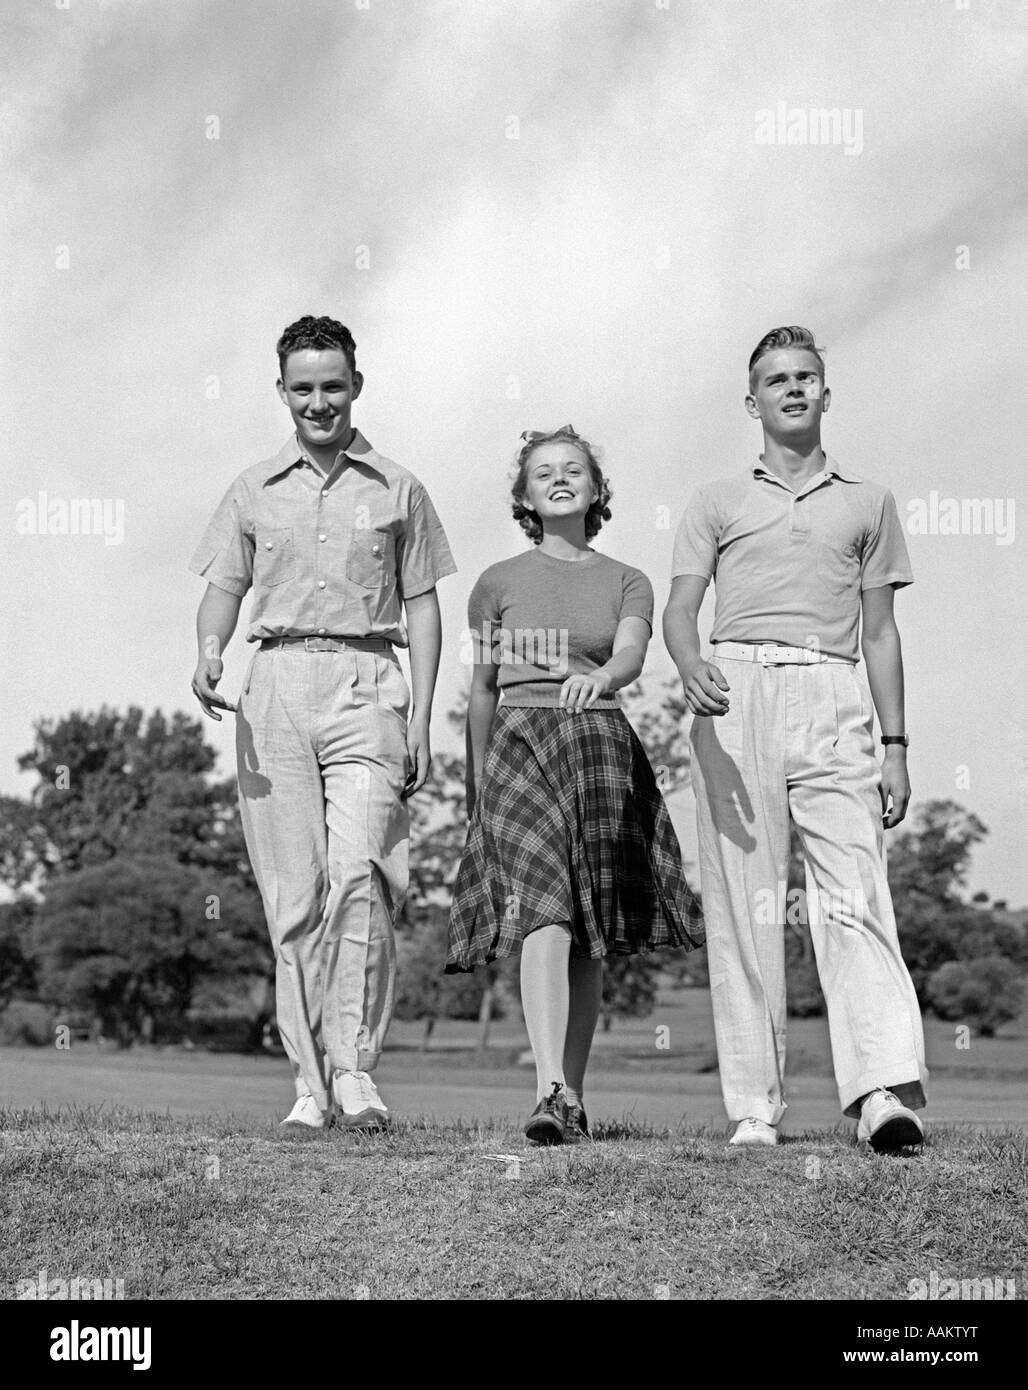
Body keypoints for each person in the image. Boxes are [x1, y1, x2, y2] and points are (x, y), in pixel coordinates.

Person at [663, 326, 927, 1153]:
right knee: (744, 906)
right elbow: (680, 609)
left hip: (832, 687)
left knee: (853, 893)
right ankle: (754, 1106)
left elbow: (881, 634)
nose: (792, 388)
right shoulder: (715, 500)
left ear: (824, 391)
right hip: (734, 693)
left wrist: (896, 745)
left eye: (806, 376)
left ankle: (882, 1093)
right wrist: (689, 661)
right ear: (753, 402)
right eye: (775, 379)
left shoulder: (869, 501)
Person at [189, 315, 456, 1131]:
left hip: (370, 683)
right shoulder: (250, 490)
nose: (319, 400)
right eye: (302, 387)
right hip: (273, 686)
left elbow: (422, 603)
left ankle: (355, 1071)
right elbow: (224, 590)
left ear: (356, 386)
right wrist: (208, 651)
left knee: (364, 874)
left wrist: (423, 719)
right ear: (282, 392)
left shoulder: (399, 487)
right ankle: (310, 1084)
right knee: (292, 896)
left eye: (332, 384)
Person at [447, 425, 704, 1144]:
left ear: (595, 491)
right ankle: (548, 1086)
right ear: (525, 496)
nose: (559, 479)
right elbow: (481, 692)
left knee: (586, 928)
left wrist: (600, 678)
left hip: (597, 744)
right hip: (519, 745)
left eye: (573, 471)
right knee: (545, 911)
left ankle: (571, 1098)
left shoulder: (628, 579)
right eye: (542, 473)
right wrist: (476, 785)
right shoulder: (495, 583)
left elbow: (630, 652)